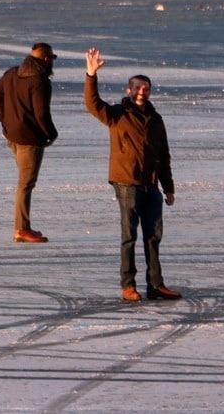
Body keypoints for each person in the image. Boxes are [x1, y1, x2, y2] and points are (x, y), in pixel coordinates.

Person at [83, 47, 181, 302]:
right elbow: (93, 105)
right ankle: (128, 285)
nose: (142, 91)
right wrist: (91, 75)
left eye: (146, 88)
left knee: (153, 237)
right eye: (137, 87)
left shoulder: (156, 120)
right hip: (127, 182)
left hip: (151, 186)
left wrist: (168, 187)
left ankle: (156, 285)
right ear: (129, 90)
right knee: (130, 236)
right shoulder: (118, 115)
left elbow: (164, 155)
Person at [0, 42, 59, 242]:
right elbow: (41, 113)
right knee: (25, 183)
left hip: (13, 135)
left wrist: (5, 122)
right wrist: (52, 133)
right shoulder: (40, 81)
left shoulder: (12, 73)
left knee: (24, 181)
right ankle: (21, 229)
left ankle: (24, 226)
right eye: (51, 59)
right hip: (30, 139)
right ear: (46, 60)